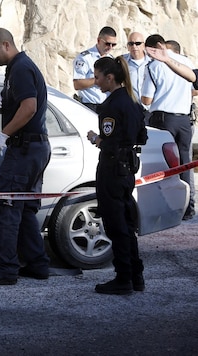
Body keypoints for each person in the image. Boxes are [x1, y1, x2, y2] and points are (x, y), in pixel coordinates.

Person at [0, 28, 51, 286]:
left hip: (25, 149)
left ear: (6, 45)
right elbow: (22, 103)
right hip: (33, 148)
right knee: (24, 208)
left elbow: (29, 108)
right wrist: (3, 102)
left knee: (5, 206)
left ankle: (6, 270)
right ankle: (38, 264)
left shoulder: (20, 68)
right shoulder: (16, 68)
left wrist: (3, 135)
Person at [86, 56, 147, 295]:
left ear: (109, 77)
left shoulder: (112, 105)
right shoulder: (132, 101)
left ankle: (123, 278)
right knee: (127, 223)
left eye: (98, 77)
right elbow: (141, 137)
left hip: (112, 168)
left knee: (116, 225)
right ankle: (135, 275)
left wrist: (97, 139)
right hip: (127, 169)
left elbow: (109, 142)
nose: (96, 81)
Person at [141, 34, 196, 220]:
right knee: (185, 164)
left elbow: (146, 99)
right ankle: (188, 208)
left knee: (161, 164)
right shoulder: (185, 61)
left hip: (163, 120)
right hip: (184, 120)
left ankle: (164, 208)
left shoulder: (153, 65)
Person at [73, 26, 118, 112]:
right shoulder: (85, 58)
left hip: (108, 106)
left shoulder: (112, 60)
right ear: (98, 40)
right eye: (107, 44)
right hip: (89, 106)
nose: (110, 47)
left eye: (114, 45)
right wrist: (99, 80)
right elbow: (77, 84)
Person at [121, 32, 150, 119]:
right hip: (130, 109)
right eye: (131, 44)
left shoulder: (152, 62)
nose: (134, 46)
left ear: (144, 45)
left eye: (137, 43)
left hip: (149, 110)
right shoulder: (122, 62)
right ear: (127, 46)